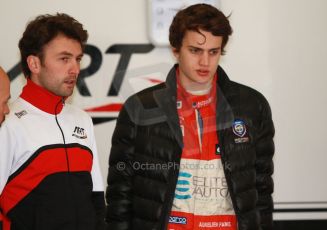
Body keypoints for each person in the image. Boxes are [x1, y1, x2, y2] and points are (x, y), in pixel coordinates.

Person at [106, 3, 274, 230]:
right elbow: (120, 196)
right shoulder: (139, 107)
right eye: (195, 50)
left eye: (213, 52)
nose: (205, 62)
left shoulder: (252, 106)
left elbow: (261, 191)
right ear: (176, 49)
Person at [0, 13, 105, 230]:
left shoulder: (82, 119)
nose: (75, 69)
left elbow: (96, 198)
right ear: (34, 63)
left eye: (78, 59)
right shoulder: (7, 121)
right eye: (64, 58)